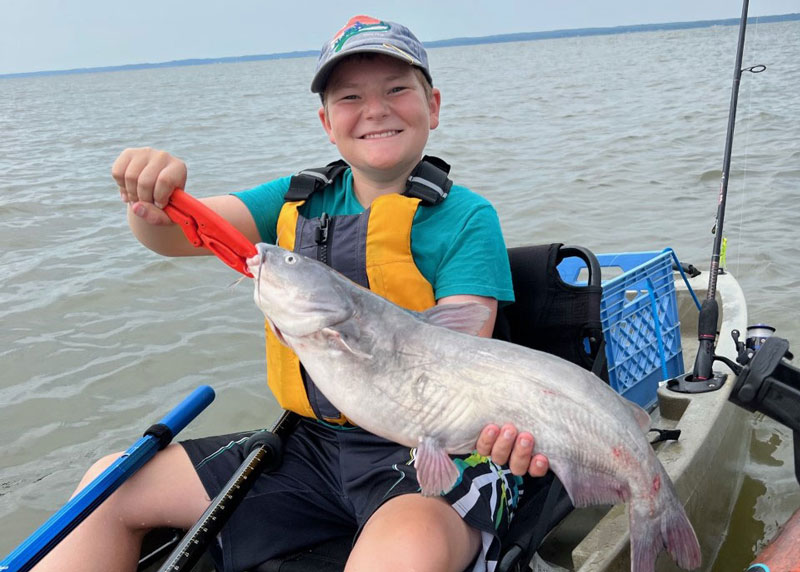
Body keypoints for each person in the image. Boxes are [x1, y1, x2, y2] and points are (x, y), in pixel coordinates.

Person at [34, 15, 549, 572]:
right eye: (350, 96)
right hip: (309, 445)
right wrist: (155, 199)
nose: (375, 109)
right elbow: (179, 233)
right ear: (328, 123)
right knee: (106, 488)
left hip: (432, 452)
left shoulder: (466, 218)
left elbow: (464, 355)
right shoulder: (293, 200)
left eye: (397, 89)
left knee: (402, 556)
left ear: (434, 106)